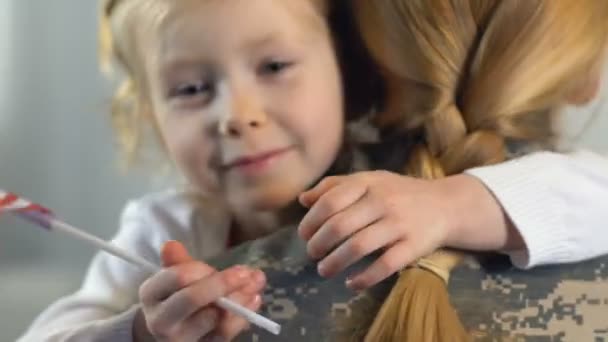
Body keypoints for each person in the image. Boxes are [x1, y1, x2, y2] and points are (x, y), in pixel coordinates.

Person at [17, 0, 608, 341]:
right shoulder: (164, 228)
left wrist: (450, 206)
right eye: (193, 88)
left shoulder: (400, 175)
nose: (237, 116)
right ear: (147, 113)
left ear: (349, 77)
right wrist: (141, 331)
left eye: (274, 66)